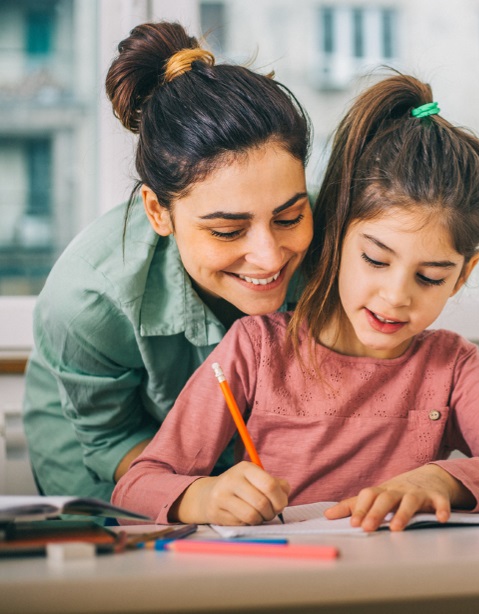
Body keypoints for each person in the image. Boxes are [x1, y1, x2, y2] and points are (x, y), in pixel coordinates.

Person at [113, 74, 479, 531]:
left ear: (463, 276)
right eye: (376, 260)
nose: (396, 297)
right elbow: (136, 485)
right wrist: (204, 496)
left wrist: (439, 479)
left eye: (430, 277)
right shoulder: (257, 349)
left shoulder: (450, 367)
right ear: (335, 237)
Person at [22, 21, 313, 503]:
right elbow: (109, 439)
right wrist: (198, 494)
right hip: (108, 450)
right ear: (159, 212)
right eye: (227, 230)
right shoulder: (87, 300)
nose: (268, 256)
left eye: (289, 216)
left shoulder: (342, 242)